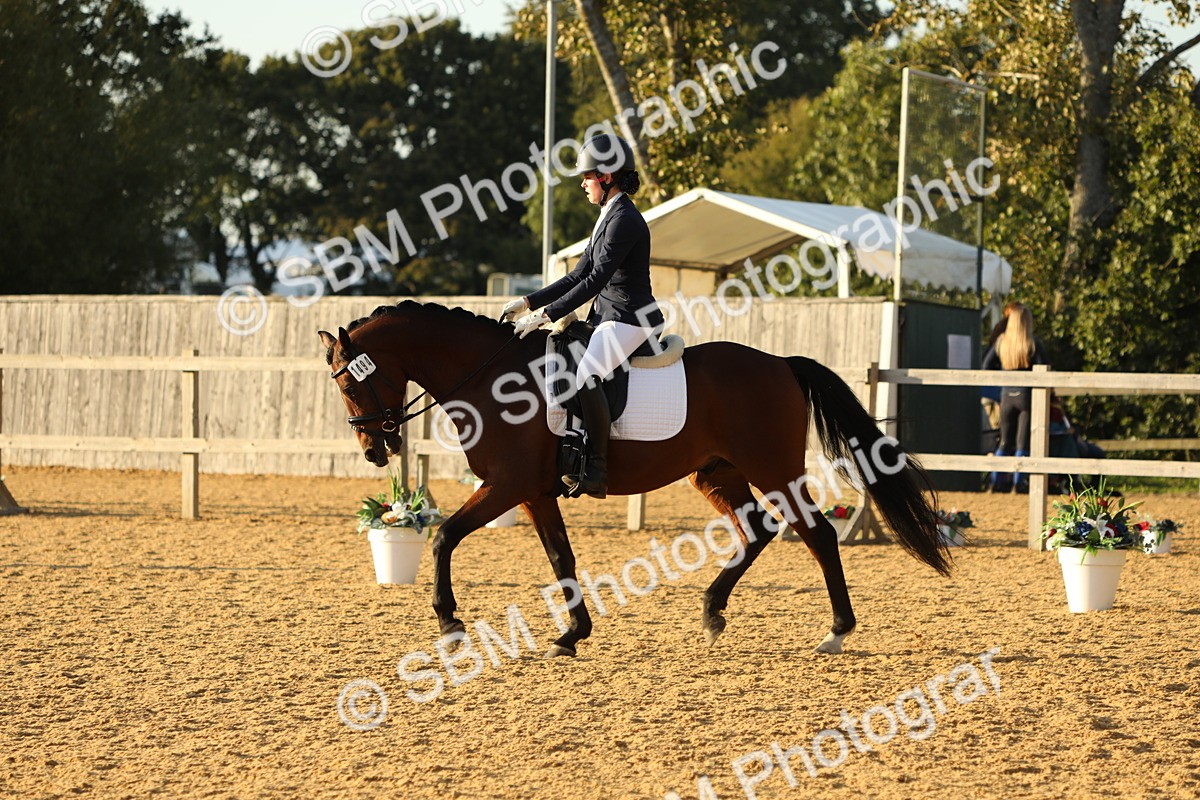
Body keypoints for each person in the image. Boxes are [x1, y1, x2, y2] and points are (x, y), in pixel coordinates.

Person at [500, 133, 664, 499]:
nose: (583, 183)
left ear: (606, 177)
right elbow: (577, 274)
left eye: (587, 176)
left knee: (588, 371)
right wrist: (528, 303)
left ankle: (597, 470)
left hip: (630, 318)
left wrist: (546, 315)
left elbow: (595, 279)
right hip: (609, 316)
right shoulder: (609, 214)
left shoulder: (625, 220)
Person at [982, 303, 1050, 492]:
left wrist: (1002, 377)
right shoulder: (1032, 343)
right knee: (1022, 442)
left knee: (1004, 441)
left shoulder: (1001, 343)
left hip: (1006, 396)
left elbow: (986, 366)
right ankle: (1018, 483)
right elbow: (1045, 368)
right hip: (1026, 397)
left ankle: (995, 482)